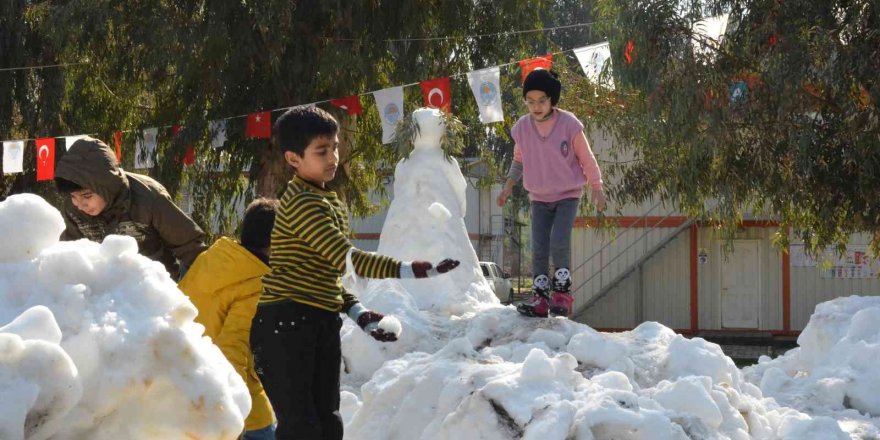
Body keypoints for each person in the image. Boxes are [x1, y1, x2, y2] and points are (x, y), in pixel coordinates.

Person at [250, 106, 460, 440]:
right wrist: (413, 268)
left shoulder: (327, 199)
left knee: (329, 421)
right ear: (293, 159)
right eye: (322, 151)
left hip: (317, 320)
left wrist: (359, 313)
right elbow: (348, 260)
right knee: (301, 427)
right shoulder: (303, 202)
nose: (333, 157)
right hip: (286, 324)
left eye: (334, 147)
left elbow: (325, 275)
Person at [496, 69, 606, 318]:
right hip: (539, 198)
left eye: (542, 100)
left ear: (552, 100)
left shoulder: (569, 124)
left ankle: (562, 294)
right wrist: (508, 185)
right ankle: (540, 298)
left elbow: (586, 159)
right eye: (530, 101)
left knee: (558, 240)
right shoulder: (522, 128)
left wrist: (597, 188)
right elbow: (518, 161)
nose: (536, 106)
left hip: (568, 195)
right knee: (538, 246)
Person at [178, 197, 278, 440]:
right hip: (230, 399)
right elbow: (231, 350)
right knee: (264, 427)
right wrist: (234, 418)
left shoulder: (214, 258)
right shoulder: (255, 285)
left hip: (184, 381)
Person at [54, 136, 207, 280]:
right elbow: (72, 253)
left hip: (157, 289)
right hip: (105, 292)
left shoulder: (149, 199)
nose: (80, 205)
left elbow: (189, 246)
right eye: (73, 197)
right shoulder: (73, 209)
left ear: (107, 186)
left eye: (87, 196)